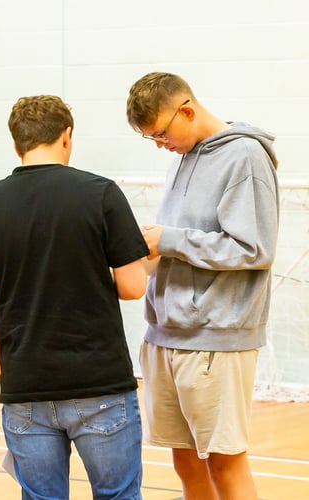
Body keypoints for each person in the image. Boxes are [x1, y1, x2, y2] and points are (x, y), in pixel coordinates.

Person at [0, 94, 149, 499]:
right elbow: (134, 286)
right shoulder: (101, 193)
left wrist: (2, 373)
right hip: (99, 384)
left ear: (16, 145)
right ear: (67, 137)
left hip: (25, 386)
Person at [126, 72, 279, 500]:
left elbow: (254, 248)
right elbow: (185, 244)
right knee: (185, 460)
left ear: (187, 110)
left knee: (225, 463)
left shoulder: (245, 156)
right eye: (149, 138)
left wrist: (169, 239)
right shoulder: (182, 155)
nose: (159, 144)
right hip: (166, 335)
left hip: (217, 340)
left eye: (160, 133)